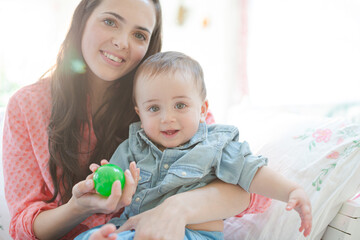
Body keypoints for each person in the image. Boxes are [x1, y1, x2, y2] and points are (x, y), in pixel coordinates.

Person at [2, 0, 270, 239]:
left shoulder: (165, 101)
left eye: (139, 34)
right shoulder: (28, 106)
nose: (122, 42)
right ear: (83, 18)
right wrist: (78, 207)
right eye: (110, 21)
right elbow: (24, 226)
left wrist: (176, 208)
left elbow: (249, 191)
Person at [75, 51, 312, 240]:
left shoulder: (214, 144)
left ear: (202, 110)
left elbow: (252, 172)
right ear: (140, 113)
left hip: (194, 233)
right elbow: (110, 190)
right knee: (84, 236)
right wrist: (100, 183)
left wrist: (292, 191)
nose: (167, 118)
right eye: (154, 108)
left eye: (180, 105)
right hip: (133, 229)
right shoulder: (132, 147)